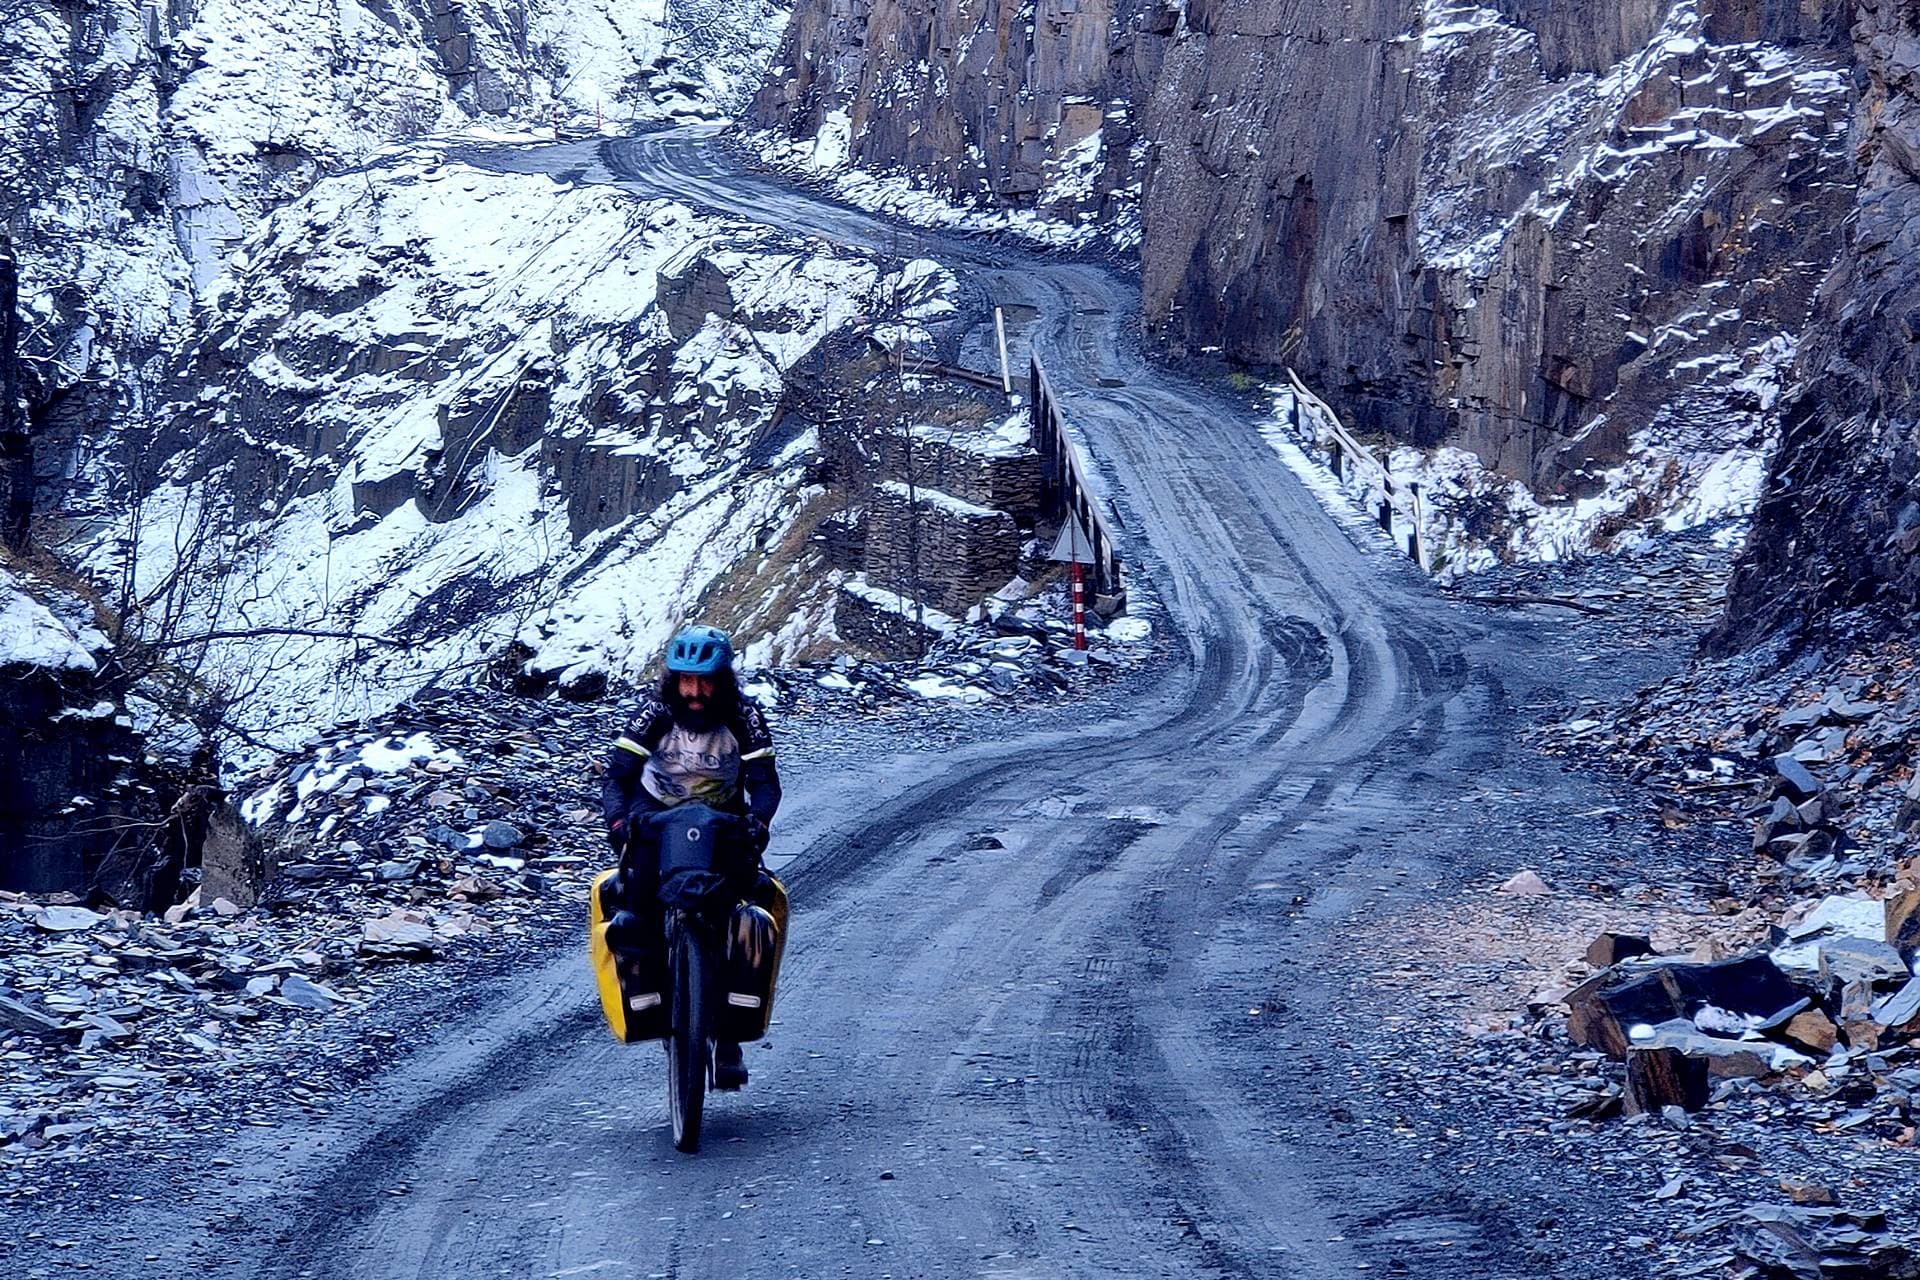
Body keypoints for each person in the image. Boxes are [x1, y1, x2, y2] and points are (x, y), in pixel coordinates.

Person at [599, 624, 780, 1089]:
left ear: (724, 680)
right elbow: (617, 777)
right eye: (686, 681)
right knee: (637, 910)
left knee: (738, 908)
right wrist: (620, 823)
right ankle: (654, 997)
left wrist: (757, 822)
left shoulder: (744, 716)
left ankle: (730, 1036)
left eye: (706, 681)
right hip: (655, 816)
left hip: (720, 821)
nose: (695, 692)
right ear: (673, 681)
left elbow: (764, 783)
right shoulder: (653, 714)